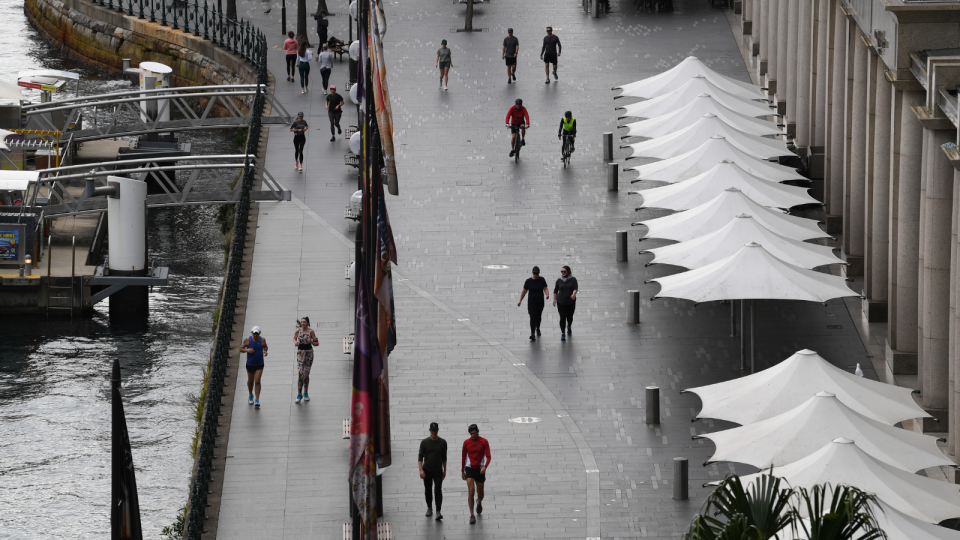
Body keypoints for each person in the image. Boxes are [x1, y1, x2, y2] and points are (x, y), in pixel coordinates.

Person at [461, 424, 490, 525]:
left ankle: (479, 502)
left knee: (480, 493)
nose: (473, 435)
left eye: (474, 433)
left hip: (480, 469)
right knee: (471, 491)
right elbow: (463, 457)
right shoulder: (466, 442)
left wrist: (485, 466)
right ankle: (472, 515)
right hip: (469, 468)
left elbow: (488, 456)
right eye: (471, 434)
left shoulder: (484, 441)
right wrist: (462, 470)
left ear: (478, 431)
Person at [418, 422, 447, 521]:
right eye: (432, 430)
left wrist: (445, 470)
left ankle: (438, 511)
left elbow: (444, 458)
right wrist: (421, 470)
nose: (434, 432)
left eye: (435, 430)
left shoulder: (443, 442)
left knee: (438, 490)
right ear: (429, 430)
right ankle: (429, 508)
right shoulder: (424, 442)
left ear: (438, 430)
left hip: (438, 471)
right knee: (428, 490)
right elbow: (420, 457)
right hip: (427, 470)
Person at [239, 326, 268, 409]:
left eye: (257, 334)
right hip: (250, 364)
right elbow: (240, 349)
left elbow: (265, 346)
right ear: (252, 332)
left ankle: (257, 399)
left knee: (257, 380)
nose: (255, 335)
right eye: (254, 334)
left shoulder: (262, 340)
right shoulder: (248, 340)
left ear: (259, 333)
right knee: (251, 380)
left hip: (259, 363)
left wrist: (265, 351)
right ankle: (250, 394)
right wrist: (248, 350)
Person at [518, 266, 549, 340]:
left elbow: (545, 288)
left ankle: (537, 327)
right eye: (534, 273)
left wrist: (547, 294)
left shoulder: (542, 280)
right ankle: (532, 333)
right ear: (532, 273)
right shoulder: (528, 281)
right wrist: (520, 301)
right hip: (531, 302)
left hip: (540, 302)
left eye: (537, 273)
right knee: (532, 317)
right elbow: (524, 291)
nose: (535, 275)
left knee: (538, 316)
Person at [292, 317, 319, 403]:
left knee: (306, 375)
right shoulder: (298, 331)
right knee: (301, 374)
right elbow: (294, 338)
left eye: (304, 322)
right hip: (300, 354)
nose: (302, 323)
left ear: (308, 323)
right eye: (302, 322)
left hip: (309, 355)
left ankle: (306, 392)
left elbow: (316, 343)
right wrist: (295, 342)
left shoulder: (311, 332)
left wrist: (311, 341)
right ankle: (299, 393)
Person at [553, 265, 578, 340]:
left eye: (564, 271)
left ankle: (569, 326)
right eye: (562, 271)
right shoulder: (559, 280)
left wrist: (573, 294)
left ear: (568, 271)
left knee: (569, 317)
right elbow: (555, 291)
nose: (563, 273)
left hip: (570, 302)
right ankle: (563, 333)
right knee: (562, 317)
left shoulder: (573, 279)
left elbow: (575, 288)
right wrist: (554, 299)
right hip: (561, 302)